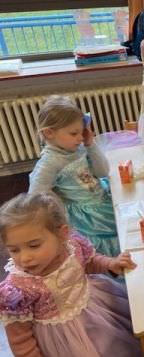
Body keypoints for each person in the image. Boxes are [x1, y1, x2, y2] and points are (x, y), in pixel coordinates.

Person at [0, 192, 142, 357]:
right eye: (14, 250)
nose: (24, 258)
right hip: (65, 344)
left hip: (101, 310)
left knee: (125, 347)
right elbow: (21, 341)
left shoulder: (72, 245)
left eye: (34, 245)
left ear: (62, 234)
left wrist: (110, 264)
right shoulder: (16, 289)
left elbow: (89, 262)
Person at [29, 95, 120, 258]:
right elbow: (36, 197)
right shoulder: (49, 162)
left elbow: (103, 172)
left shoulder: (77, 147)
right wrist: (60, 211)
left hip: (102, 196)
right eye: (73, 133)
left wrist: (90, 145)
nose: (80, 137)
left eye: (81, 132)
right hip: (87, 217)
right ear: (49, 133)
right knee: (114, 239)